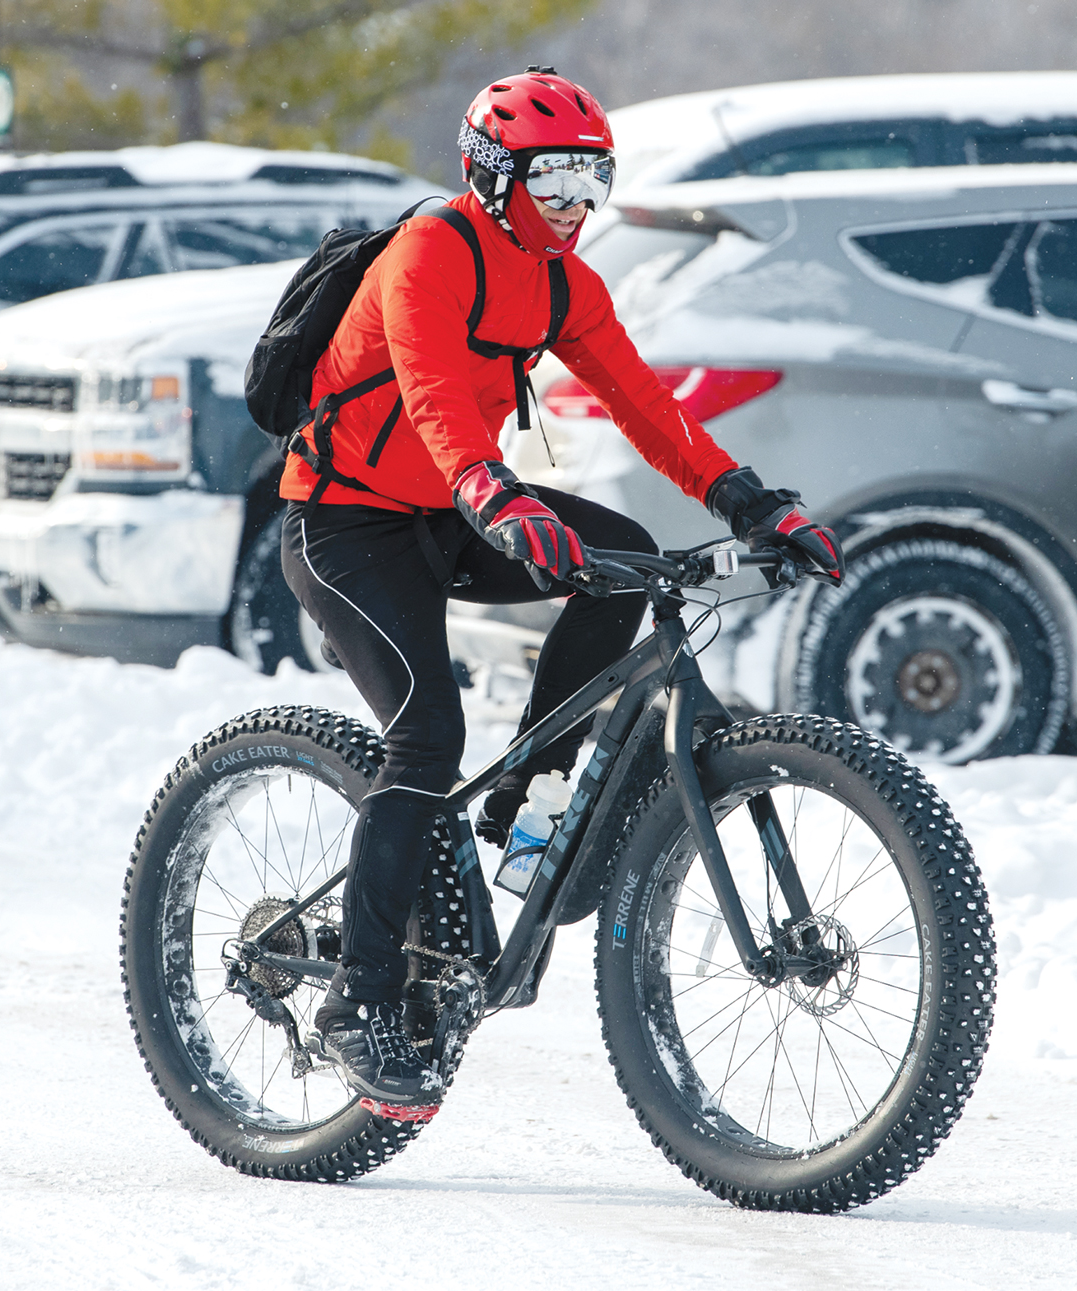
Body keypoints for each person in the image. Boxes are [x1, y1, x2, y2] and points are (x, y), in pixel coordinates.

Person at [278, 68, 841, 1114]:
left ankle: (525, 790)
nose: (579, 204)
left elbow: (644, 404)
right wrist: (495, 493)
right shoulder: (430, 252)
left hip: (450, 511)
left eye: (594, 179)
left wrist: (750, 501)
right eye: (556, 181)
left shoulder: (565, 282)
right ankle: (356, 1004)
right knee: (423, 738)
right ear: (494, 177)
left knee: (620, 555)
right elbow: (432, 391)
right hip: (346, 521)